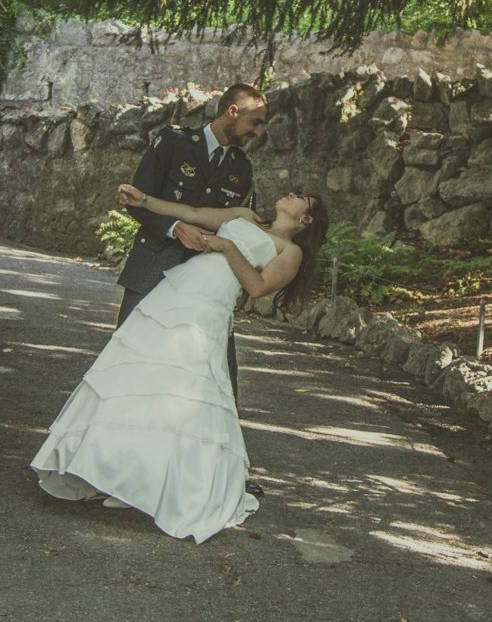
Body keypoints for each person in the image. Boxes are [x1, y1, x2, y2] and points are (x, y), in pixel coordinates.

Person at [30, 186, 328, 544]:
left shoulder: (290, 251)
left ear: (305, 218)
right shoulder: (245, 216)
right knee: (143, 372)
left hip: (210, 304)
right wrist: (146, 201)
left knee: (184, 386)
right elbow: (195, 212)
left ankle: (151, 481)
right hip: (180, 288)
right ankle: (114, 471)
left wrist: (227, 247)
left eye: (299, 196)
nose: (290, 193)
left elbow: (258, 285)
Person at [118, 83, 268, 407]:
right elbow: (136, 198)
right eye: (254, 121)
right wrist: (174, 227)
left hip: (204, 284)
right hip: (153, 269)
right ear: (233, 111)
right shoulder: (174, 142)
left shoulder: (242, 169)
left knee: (217, 380)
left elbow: (239, 226)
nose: (258, 131)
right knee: (125, 363)